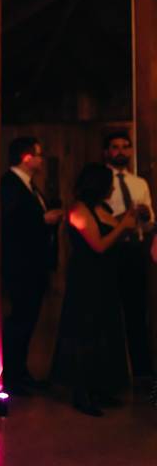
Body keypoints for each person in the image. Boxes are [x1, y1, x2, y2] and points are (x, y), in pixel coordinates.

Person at [52, 163, 136, 416]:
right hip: (87, 280)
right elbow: (98, 245)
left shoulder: (104, 207)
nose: (112, 187)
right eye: (109, 183)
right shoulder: (79, 209)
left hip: (106, 278)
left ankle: (99, 388)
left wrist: (125, 220)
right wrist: (123, 226)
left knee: (105, 332)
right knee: (86, 334)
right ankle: (82, 393)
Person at [0, 136, 62, 395]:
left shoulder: (29, 185)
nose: (41, 159)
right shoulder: (11, 183)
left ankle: (20, 371)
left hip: (33, 264)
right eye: (38, 154)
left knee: (27, 320)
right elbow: (11, 221)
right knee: (20, 320)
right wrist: (43, 219)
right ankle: (13, 375)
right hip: (21, 265)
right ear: (27, 157)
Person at [102, 130, 155, 380]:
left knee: (137, 310)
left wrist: (145, 217)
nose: (121, 151)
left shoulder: (139, 183)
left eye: (125, 147)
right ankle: (113, 372)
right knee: (109, 312)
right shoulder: (101, 182)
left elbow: (148, 223)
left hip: (135, 251)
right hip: (110, 251)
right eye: (115, 147)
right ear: (107, 151)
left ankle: (142, 370)